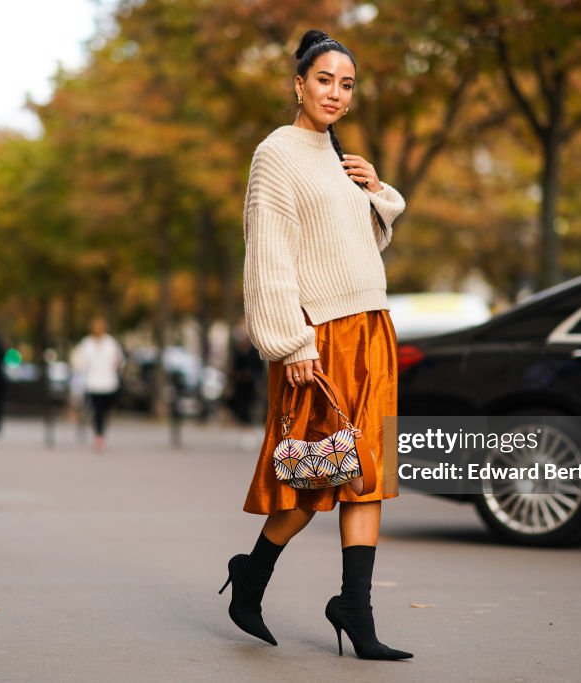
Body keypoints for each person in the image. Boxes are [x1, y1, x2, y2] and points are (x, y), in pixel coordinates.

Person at [219, 30, 412, 660]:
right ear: (298, 84)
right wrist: (291, 343)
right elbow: (269, 258)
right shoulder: (276, 154)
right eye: (324, 79)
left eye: (346, 84)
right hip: (317, 336)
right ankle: (252, 574)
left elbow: (354, 247)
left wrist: (377, 194)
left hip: (370, 327)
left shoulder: (338, 157)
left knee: (370, 474)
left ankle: (355, 609)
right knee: (312, 478)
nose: (335, 92)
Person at [71, 316, 124, 452]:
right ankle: (99, 436)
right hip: (93, 382)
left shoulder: (111, 343)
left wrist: (118, 364)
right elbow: (79, 361)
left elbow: (120, 360)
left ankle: (100, 433)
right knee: (97, 411)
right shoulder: (87, 343)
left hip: (109, 382)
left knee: (105, 410)